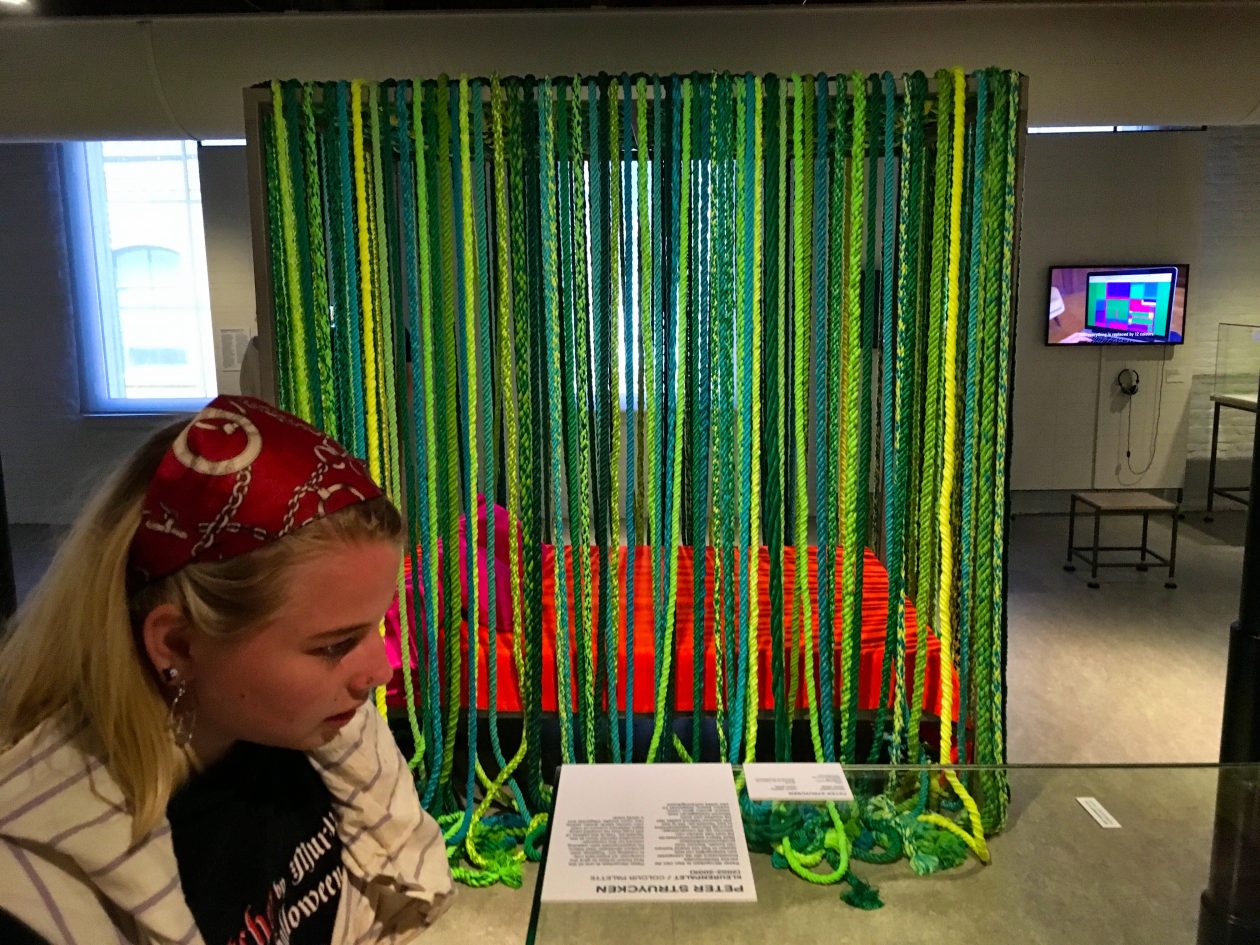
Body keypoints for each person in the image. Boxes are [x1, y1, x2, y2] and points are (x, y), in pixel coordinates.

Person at [0, 395, 453, 945]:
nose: (380, 670)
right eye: (336, 645)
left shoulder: (313, 728)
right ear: (178, 645)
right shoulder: (34, 895)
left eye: (375, 626)